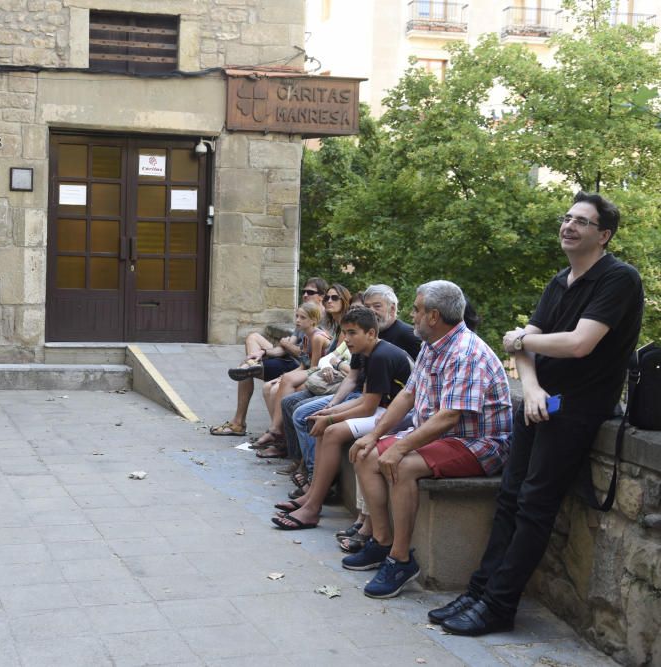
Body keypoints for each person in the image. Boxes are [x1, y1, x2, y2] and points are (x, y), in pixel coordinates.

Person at [433, 192, 643, 636]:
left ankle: (499, 605)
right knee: (509, 498)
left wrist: (523, 343)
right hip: (539, 403)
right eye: (567, 218)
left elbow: (578, 343)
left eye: (582, 222)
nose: (569, 226)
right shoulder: (559, 281)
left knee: (534, 506)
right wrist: (530, 388)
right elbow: (524, 343)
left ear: (603, 235)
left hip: (579, 410)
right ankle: (480, 590)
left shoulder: (618, 279)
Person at [343, 280, 512, 599]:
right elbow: (408, 396)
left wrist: (400, 447)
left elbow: (450, 417)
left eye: (417, 309)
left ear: (433, 316)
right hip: (445, 437)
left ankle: (401, 559)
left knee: (401, 464)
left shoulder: (466, 353)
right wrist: (375, 435)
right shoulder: (433, 347)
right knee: (364, 453)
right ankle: (381, 542)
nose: (413, 315)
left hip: (479, 444)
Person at [270, 307, 413, 529]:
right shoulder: (363, 351)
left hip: (400, 415)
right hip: (382, 408)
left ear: (372, 334)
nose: (347, 338)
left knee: (332, 431)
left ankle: (312, 509)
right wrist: (329, 411)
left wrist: (330, 420)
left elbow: (367, 407)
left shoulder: (381, 356)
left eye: (353, 332)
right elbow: (365, 397)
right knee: (321, 425)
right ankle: (310, 498)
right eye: (345, 332)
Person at [209, 277, 329, 437]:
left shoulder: (321, 322)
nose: (305, 295)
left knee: (247, 373)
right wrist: (263, 352)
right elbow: (284, 348)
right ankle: (252, 363)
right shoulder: (304, 315)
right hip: (292, 360)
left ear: (322, 296)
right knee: (252, 338)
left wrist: (286, 346)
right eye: (303, 291)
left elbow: (306, 356)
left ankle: (241, 423)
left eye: (310, 292)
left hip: (297, 365)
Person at [252, 284, 351, 455]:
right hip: (323, 371)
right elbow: (310, 362)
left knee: (286, 390)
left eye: (334, 298)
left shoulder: (338, 330)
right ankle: (281, 438)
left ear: (345, 301)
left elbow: (326, 361)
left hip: (335, 377)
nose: (329, 301)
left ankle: (279, 436)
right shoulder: (332, 326)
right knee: (271, 386)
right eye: (327, 297)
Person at [361, 284, 422, 361]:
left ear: (392, 308)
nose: (371, 311)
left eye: (377, 306)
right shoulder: (365, 333)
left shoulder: (409, 336)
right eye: (367, 307)